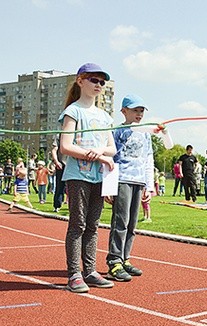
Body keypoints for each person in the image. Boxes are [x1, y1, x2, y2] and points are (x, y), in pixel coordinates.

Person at [59, 62, 116, 293]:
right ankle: (74, 274)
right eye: (94, 80)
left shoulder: (104, 116)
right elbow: (65, 146)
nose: (99, 85)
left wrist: (101, 153)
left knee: (93, 225)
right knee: (78, 225)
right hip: (77, 176)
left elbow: (111, 148)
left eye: (102, 82)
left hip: (98, 178)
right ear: (80, 80)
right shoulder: (73, 111)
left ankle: (90, 271)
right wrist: (91, 155)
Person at [105, 94, 156, 282]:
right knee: (121, 221)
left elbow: (149, 159)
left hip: (139, 181)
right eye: (135, 110)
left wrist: (149, 186)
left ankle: (125, 257)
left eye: (142, 111)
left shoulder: (145, 133)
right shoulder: (117, 131)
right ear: (124, 111)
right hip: (122, 180)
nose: (139, 114)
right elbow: (111, 159)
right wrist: (109, 187)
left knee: (132, 224)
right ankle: (114, 260)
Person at [51, 134, 68, 212]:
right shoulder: (59, 135)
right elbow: (54, 149)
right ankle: (57, 205)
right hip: (61, 165)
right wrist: (56, 161)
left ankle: (75, 207)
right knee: (59, 186)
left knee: (75, 187)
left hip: (73, 165)